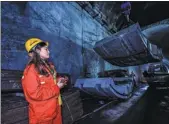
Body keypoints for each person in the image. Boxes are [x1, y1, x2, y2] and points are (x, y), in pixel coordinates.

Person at [22, 38, 68, 124]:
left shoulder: (48, 66)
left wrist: (59, 80)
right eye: (46, 49)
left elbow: (49, 81)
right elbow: (35, 94)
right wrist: (57, 87)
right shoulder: (31, 70)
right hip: (43, 113)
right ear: (37, 50)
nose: (49, 51)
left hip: (55, 106)